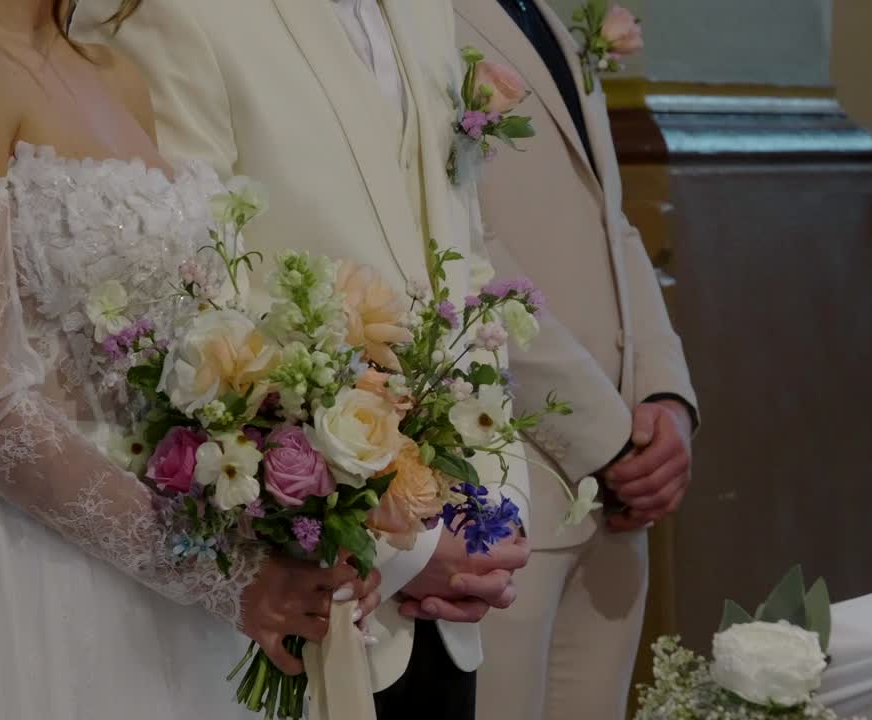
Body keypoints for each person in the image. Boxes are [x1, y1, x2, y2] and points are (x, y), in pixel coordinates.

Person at [0, 1, 384, 717]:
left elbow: (170, 370)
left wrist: (286, 525)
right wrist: (219, 575)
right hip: (22, 577)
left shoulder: (116, 75)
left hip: (166, 593)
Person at [71, 1, 532, 717]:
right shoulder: (172, 13)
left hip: (450, 602)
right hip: (304, 594)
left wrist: (492, 509)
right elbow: (194, 308)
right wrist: (407, 547)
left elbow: (461, 261)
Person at [453, 1, 698, 718]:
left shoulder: (547, 20)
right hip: (511, 481)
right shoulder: (414, 19)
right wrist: (605, 437)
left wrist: (666, 398)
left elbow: (611, 222)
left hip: (615, 494)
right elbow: (463, 245)